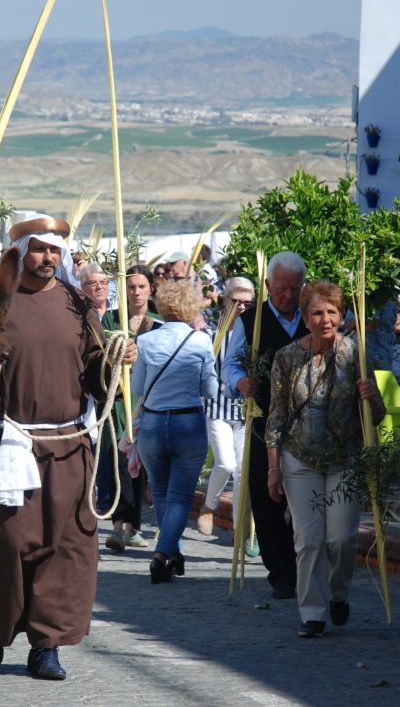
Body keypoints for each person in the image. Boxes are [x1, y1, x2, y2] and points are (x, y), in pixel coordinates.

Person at [0, 216, 137, 681]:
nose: (48, 258)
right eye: (40, 249)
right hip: (12, 443)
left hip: (68, 444)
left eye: (55, 251)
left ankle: (47, 646)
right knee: (6, 543)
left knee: (66, 548)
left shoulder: (77, 304)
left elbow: (95, 373)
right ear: (22, 250)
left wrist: (116, 357)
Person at [265, 280, 384, 638]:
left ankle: (338, 594)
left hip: (344, 458)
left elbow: (375, 416)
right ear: (304, 317)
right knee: (309, 539)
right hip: (298, 458)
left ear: (342, 315)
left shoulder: (355, 354)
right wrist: (273, 468)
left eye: (332, 312)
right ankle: (312, 613)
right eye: (317, 312)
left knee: (341, 539)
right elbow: (276, 418)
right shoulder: (286, 358)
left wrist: (372, 395)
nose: (325, 319)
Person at [222, 251, 307, 599]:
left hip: (307, 421)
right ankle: (282, 574)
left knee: (304, 497)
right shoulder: (250, 320)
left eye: (294, 289)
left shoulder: (314, 317)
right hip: (263, 420)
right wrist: (241, 382)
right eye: (281, 289)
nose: (288, 296)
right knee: (266, 497)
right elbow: (229, 365)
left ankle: (306, 567)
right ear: (268, 285)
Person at [132, 279, 217, 583]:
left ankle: (170, 552)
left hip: (154, 423)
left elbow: (137, 388)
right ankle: (163, 553)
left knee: (161, 492)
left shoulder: (145, 342)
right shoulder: (202, 342)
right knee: (180, 496)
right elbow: (210, 388)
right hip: (187, 422)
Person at [100, 264, 161, 551]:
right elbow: (100, 353)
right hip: (119, 403)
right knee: (118, 463)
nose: (136, 292)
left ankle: (132, 525)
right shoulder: (111, 320)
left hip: (146, 402)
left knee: (140, 466)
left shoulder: (159, 323)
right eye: (131, 286)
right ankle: (116, 525)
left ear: (151, 289)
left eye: (141, 286)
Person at [198, 277, 255, 535]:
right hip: (217, 409)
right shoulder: (210, 335)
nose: (242, 307)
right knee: (225, 464)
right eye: (236, 301)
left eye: (248, 302)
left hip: (244, 411)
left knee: (244, 470)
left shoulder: (256, 334)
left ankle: (239, 527)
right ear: (225, 301)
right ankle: (209, 507)